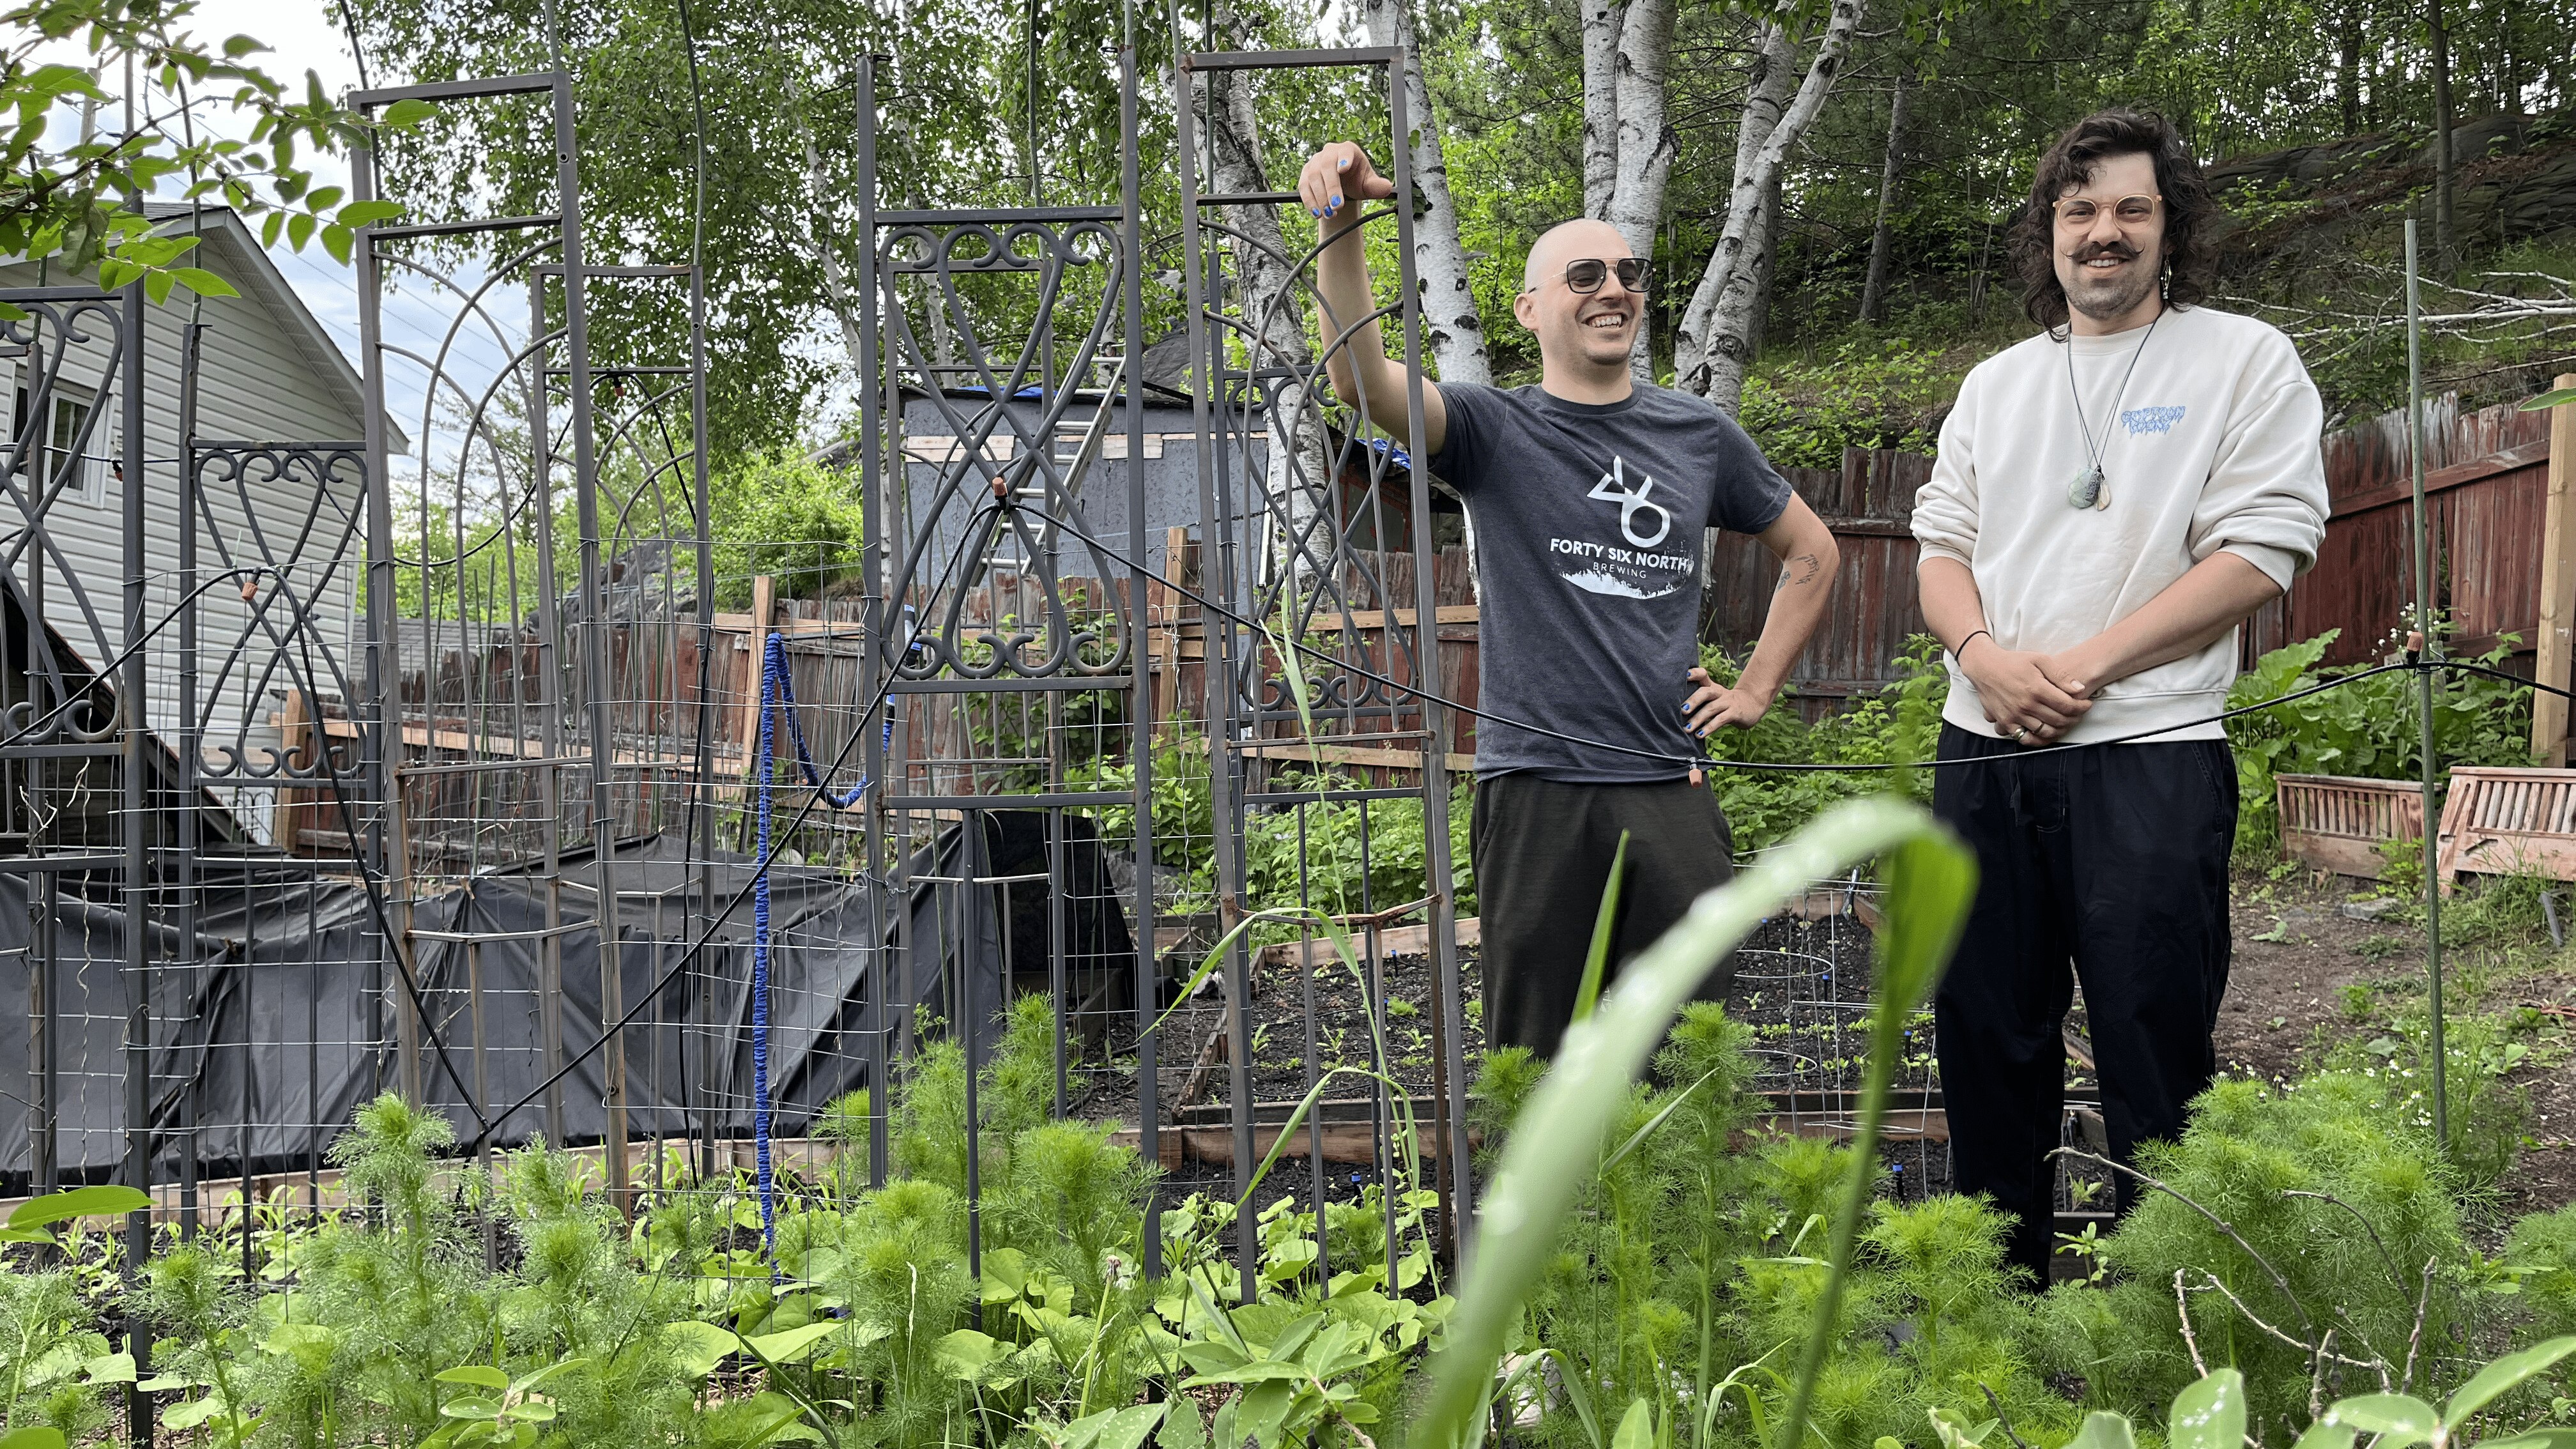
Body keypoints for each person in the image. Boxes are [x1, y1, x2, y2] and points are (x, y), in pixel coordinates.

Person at [1294, 141, 1842, 1059]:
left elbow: (1815, 553)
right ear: (1530, 308)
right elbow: (1359, 382)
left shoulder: (1698, 434)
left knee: (1686, 1067)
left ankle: (1673, 1214)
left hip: (1670, 790)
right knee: (1535, 1067)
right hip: (1536, 792)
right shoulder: (1492, 429)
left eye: (1628, 274)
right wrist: (1341, 222)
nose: (1614, 289)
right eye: (1583, 274)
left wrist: (1752, 691)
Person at [1910, 109, 2329, 1287]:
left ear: (2170, 226)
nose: (2104, 234)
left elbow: (2263, 549)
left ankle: (2170, 1306)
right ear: (2049, 230)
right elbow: (1939, 544)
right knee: (1988, 1033)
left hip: (2151, 751)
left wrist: (2088, 669)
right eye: (2080, 210)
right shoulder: (1998, 385)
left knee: (2154, 1033)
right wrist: (1985, 657)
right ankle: (2002, 1297)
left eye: (2131, 210)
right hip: (1982, 751)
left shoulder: (2243, 360)